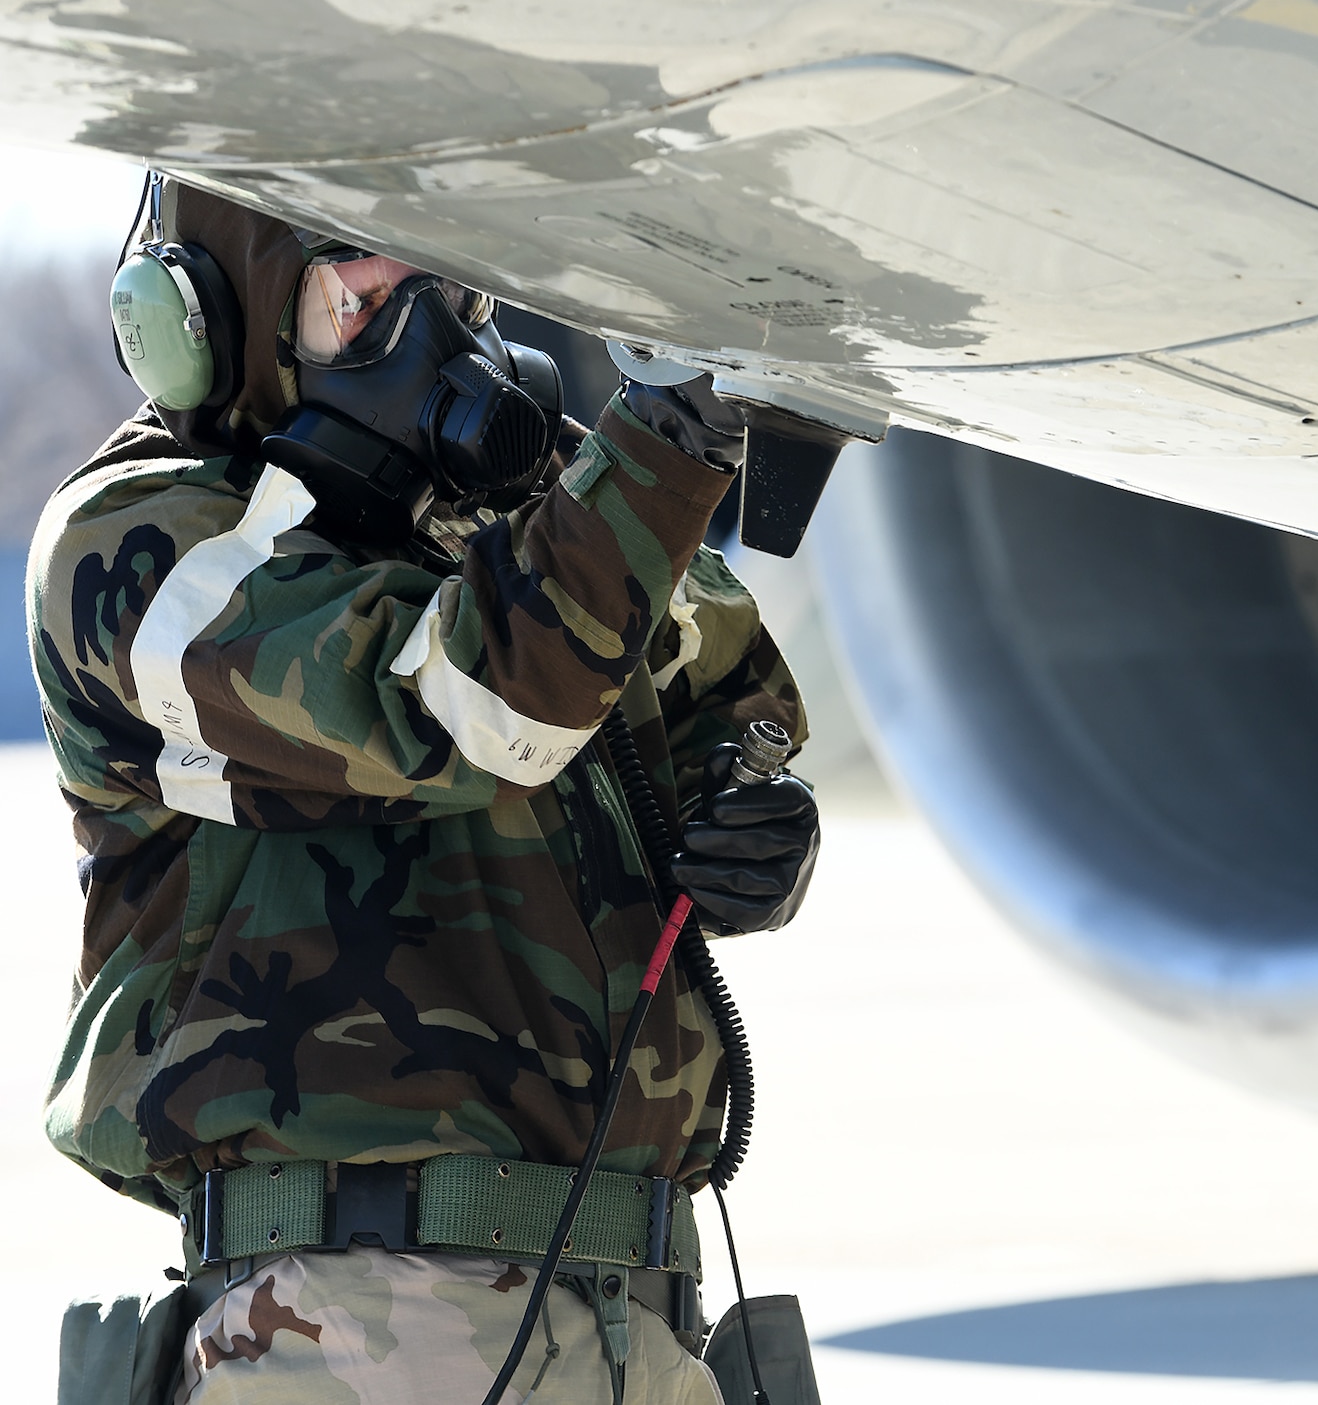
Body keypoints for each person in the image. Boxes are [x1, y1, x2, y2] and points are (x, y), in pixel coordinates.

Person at [34, 177, 820, 1403]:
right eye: (359, 296)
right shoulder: (138, 544)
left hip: (633, 1315)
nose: (424, 338)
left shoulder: (522, 510)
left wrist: (756, 826)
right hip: (346, 1328)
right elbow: (467, 709)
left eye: (440, 287)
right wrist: (664, 441)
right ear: (210, 321)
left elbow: (727, 692)